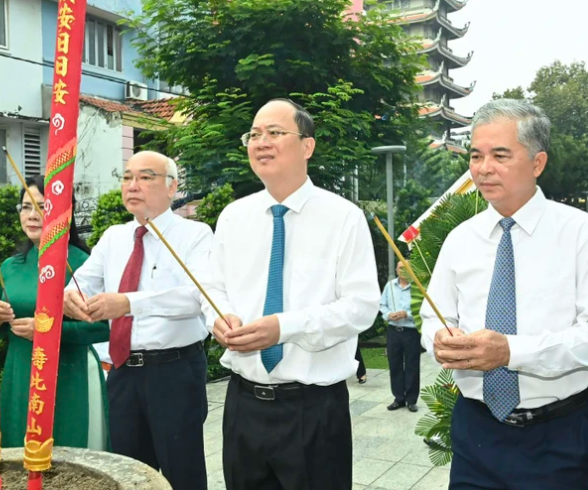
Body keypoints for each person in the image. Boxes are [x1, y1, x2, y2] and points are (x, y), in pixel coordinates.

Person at [204, 99, 380, 490]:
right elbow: (212, 288)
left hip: (313, 410)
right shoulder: (233, 217)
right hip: (243, 405)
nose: (261, 142)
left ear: (307, 146)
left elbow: (362, 307)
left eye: (275, 133)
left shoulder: (343, 217)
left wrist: (284, 328)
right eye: (254, 134)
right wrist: (219, 317)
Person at [421, 99, 588, 490]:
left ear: (537, 163)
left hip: (562, 435)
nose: (483, 168)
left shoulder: (580, 234)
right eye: (475, 155)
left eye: (499, 155)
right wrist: (439, 340)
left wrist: (511, 352)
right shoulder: (460, 239)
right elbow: (435, 317)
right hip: (476, 433)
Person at [63, 151, 213, 490]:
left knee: (183, 471)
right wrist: (68, 296)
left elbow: (195, 297)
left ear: (173, 187)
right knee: (127, 471)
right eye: (127, 177)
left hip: (174, 371)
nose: (133, 185)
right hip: (123, 371)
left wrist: (127, 303)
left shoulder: (196, 235)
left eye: (145, 177)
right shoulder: (115, 236)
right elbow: (80, 283)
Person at [0, 175, 109, 449]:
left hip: (69, 374)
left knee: (70, 456)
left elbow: (103, 326)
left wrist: (47, 331)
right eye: (26, 207)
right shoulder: (10, 266)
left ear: (63, 213)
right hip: (20, 371)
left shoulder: (82, 264)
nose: (32, 215)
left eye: (43, 207)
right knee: (20, 454)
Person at [380, 261, 420, 412]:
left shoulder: (417, 287)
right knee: (394, 365)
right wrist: (387, 315)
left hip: (411, 332)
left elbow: (423, 309)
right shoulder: (389, 285)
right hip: (393, 331)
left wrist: (407, 314)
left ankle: (411, 400)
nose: (404, 270)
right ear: (396, 270)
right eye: (401, 267)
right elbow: (382, 305)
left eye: (407, 267)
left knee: (412, 366)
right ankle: (399, 398)